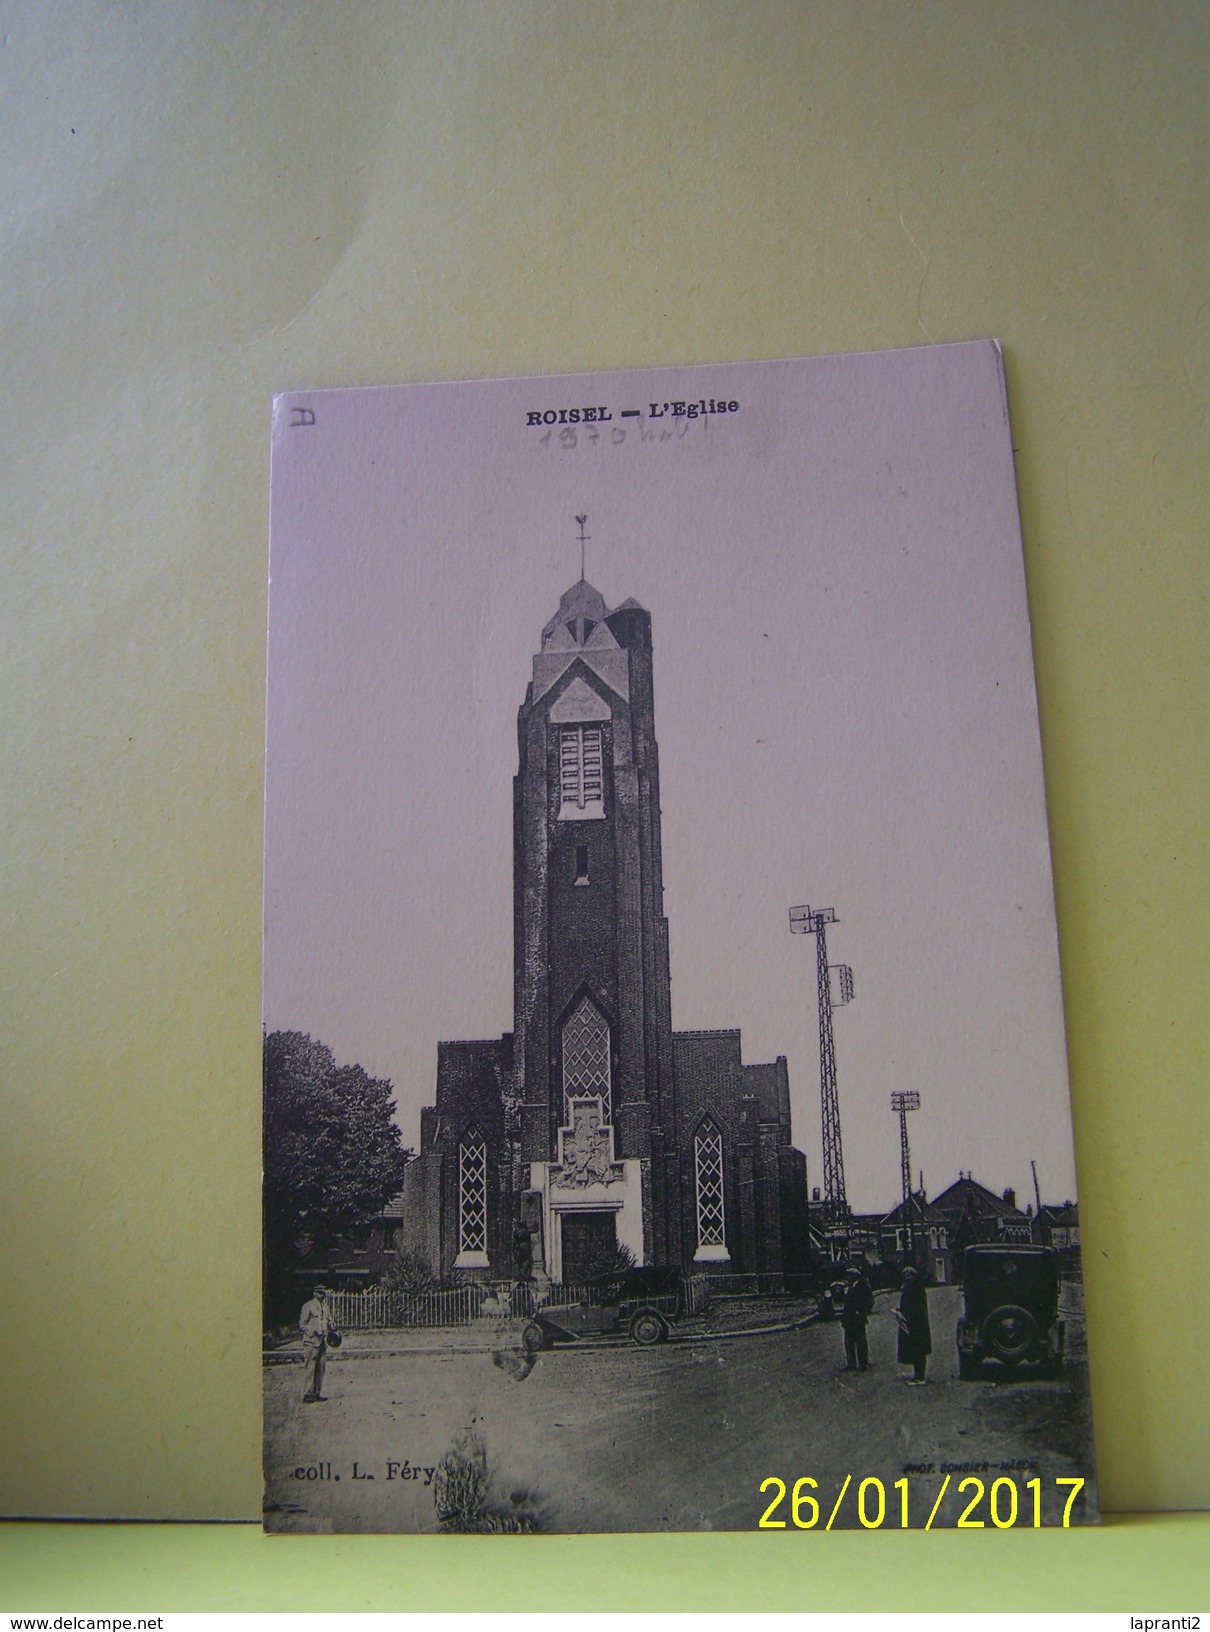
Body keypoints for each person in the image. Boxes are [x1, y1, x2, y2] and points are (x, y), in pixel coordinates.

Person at [299, 1283, 335, 1403]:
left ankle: (317, 1392)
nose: (322, 1295)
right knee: (310, 1368)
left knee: (321, 1368)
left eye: (323, 1293)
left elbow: (328, 1320)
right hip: (311, 1341)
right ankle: (308, 1394)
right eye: (320, 1292)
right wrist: (313, 1331)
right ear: (314, 1293)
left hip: (322, 1342)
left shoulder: (325, 1307)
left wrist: (331, 1327)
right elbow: (302, 1324)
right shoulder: (308, 1306)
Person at [896, 1265, 932, 1385]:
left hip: (916, 1324)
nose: (906, 1277)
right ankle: (918, 1375)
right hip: (914, 1323)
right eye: (905, 1275)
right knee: (916, 1350)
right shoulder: (912, 1287)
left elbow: (917, 1307)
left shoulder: (914, 1288)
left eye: (908, 1275)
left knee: (918, 1350)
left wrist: (909, 1318)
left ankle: (920, 1377)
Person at [840, 1263, 874, 1371]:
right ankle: (851, 1363)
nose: (847, 1277)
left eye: (850, 1275)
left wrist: (862, 1312)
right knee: (849, 1342)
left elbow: (870, 1300)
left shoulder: (862, 1286)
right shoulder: (849, 1287)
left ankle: (863, 1363)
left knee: (860, 1341)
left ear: (855, 1276)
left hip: (858, 1318)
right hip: (849, 1319)